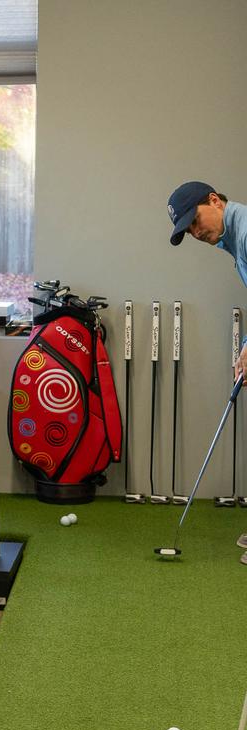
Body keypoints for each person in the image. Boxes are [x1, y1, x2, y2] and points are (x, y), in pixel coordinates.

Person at [168, 180, 247, 560]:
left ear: (214, 201)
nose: (196, 233)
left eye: (195, 221)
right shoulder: (235, 238)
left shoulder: (245, 231)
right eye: (188, 230)